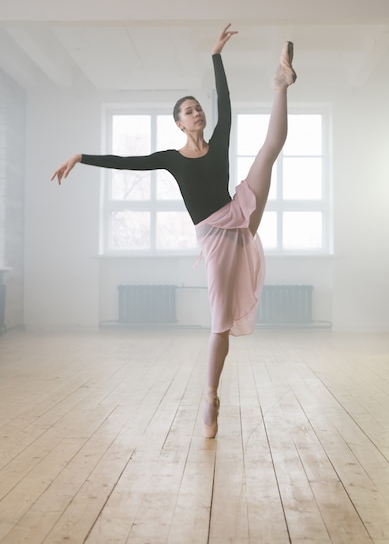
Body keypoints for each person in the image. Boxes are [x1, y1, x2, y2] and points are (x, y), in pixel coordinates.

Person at [51, 24, 296, 438]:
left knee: (269, 152)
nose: (197, 112)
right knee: (219, 323)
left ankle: (280, 84)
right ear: (180, 125)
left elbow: (227, 102)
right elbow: (125, 162)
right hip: (215, 238)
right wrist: (81, 156)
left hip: (239, 209)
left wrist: (216, 56)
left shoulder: (218, 142)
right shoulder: (172, 159)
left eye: (197, 107)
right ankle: (211, 395)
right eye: (188, 111)